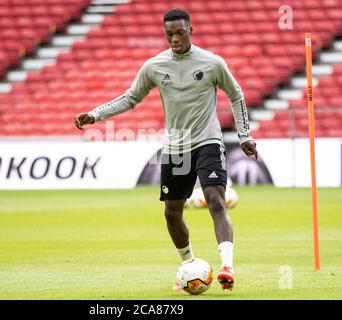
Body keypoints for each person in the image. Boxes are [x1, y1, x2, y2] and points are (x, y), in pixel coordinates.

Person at [74, 8, 258, 291]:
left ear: (191, 30)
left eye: (179, 32)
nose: (174, 39)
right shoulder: (154, 66)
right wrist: (95, 115)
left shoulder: (212, 63)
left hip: (208, 141)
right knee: (172, 213)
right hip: (176, 148)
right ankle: (189, 265)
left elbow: (236, 94)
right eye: (169, 34)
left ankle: (227, 266)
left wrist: (244, 135)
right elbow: (130, 98)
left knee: (215, 200)